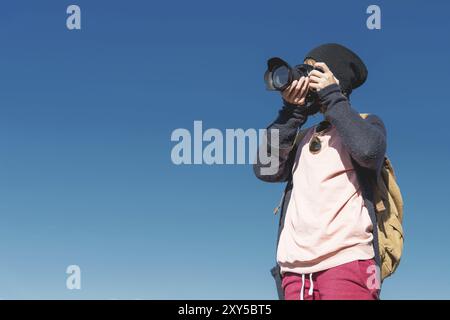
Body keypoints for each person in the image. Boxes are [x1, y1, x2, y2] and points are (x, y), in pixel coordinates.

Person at [253, 43, 387, 300]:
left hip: (346, 263)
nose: (306, 77)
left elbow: (368, 151)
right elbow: (265, 169)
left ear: (335, 78)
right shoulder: (302, 137)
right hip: (294, 272)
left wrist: (332, 96)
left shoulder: (367, 123)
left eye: (314, 71)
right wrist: (291, 113)